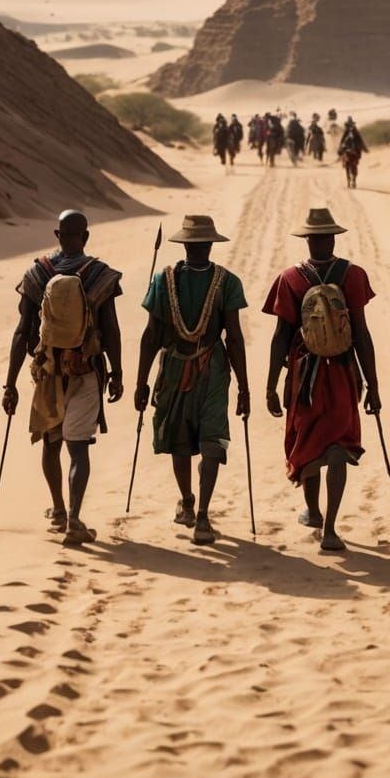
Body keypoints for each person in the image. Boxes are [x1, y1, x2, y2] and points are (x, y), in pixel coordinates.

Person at [263, 207, 382, 553]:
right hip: (343, 373)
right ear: (331, 238)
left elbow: (280, 337)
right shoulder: (354, 276)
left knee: (308, 442)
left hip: (305, 375)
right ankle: (330, 527)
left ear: (308, 240)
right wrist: (372, 384)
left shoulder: (290, 279)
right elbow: (361, 333)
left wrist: (271, 384)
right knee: (338, 446)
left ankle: (313, 512)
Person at [4, 210, 124, 545]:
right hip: (85, 371)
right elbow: (111, 329)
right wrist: (116, 372)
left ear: (58, 235)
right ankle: (73, 518)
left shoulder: (37, 274)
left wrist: (10, 383)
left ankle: (56, 509)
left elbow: (20, 332)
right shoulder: (99, 275)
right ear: (85, 237)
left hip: (48, 372)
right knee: (78, 449)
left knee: (50, 442)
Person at [133, 214, 249, 545]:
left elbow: (151, 335)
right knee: (212, 440)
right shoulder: (227, 282)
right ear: (211, 245)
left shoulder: (162, 280)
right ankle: (202, 516)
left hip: (174, 366)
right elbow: (235, 338)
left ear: (184, 244)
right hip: (212, 368)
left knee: (179, 438)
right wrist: (244, 386)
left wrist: (141, 382)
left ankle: (188, 501)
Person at [338, 116, 366, 188]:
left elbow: (360, 141)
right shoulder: (346, 132)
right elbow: (342, 141)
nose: (349, 126)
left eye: (350, 124)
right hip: (348, 151)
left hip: (355, 151)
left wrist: (364, 148)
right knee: (347, 164)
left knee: (354, 165)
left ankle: (353, 180)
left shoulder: (355, 132)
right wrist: (340, 148)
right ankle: (350, 180)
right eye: (349, 125)